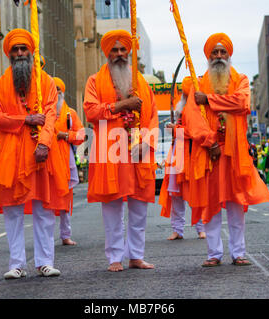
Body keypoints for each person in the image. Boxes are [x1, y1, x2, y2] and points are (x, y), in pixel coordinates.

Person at [183, 33, 269, 267]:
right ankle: (213, 253)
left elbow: (241, 103)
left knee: (235, 203)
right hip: (208, 152)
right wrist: (209, 141)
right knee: (210, 204)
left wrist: (209, 100)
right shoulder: (198, 83)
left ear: (229, 55)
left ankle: (238, 252)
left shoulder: (241, 80)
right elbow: (191, 118)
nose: (219, 56)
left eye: (223, 52)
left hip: (235, 152)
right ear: (209, 56)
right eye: (215, 52)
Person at [0, 29, 69, 279]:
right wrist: (25, 119)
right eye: (16, 49)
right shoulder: (2, 84)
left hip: (39, 153)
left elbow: (51, 115)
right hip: (10, 156)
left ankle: (45, 261)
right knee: (13, 210)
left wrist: (44, 143)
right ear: (9, 54)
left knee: (43, 209)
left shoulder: (45, 81)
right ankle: (16, 264)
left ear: (31, 52)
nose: (20, 53)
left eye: (24, 49)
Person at [83, 30, 158, 272]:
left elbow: (153, 116)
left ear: (129, 52)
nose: (118, 54)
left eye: (122, 49)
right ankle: (115, 257)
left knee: (139, 208)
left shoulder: (140, 82)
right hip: (110, 152)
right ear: (107, 53)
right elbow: (91, 112)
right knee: (113, 207)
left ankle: (136, 256)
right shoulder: (95, 81)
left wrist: (147, 143)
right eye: (114, 50)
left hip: (139, 152)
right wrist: (121, 105)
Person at [159, 76, 206, 240]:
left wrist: (176, 129)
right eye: (185, 93)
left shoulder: (201, 110)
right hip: (177, 153)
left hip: (193, 153)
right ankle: (177, 230)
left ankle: (201, 228)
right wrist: (174, 129)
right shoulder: (180, 108)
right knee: (176, 194)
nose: (187, 96)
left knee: (196, 192)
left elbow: (196, 132)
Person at [52, 76, 85, 246]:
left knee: (65, 199)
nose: (55, 93)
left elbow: (81, 135)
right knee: (47, 199)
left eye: (58, 90)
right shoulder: (42, 111)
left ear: (62, 92)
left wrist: (65, 135)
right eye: (53, 89)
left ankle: (65, 234)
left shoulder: (70, 113)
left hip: (65, 161)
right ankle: (46, 236)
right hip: (48, 161)